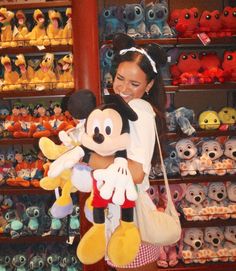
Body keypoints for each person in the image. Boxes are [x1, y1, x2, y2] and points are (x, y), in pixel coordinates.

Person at [85, 33, 168, 270]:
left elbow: (136, 173)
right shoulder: (123, 108)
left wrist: (88, 157)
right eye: (120, 78)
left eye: (134, 84)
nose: (123, 88)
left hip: (132, 219)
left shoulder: (140, 111)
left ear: (149, 85)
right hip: (120, 214)